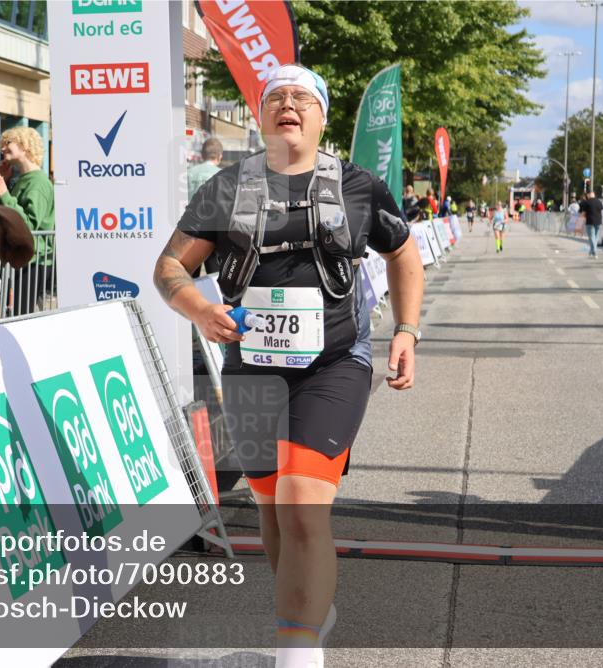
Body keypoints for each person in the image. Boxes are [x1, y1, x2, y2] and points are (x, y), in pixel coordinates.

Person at [153, 64, 424, 668]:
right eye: (277, 97)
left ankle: (296, 652)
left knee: (303, 501)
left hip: (335, 361)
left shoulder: (358, 186)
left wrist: (406, 329)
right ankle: (307, 611)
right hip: (250, 366)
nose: (289, 106)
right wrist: (199, 307)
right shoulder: (226, 188)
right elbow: (168, 269)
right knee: (274, 511)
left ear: (323, 115)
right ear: (261, 115)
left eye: (303, 98)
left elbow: (404, 253)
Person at [0, 126, 55, 313]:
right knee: (17, 313)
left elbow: (30, 223)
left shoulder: (38, 182)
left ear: (25, 147)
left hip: (34, 261)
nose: (2, 148)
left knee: (21, 314)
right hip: (26, 258)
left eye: (8, 143)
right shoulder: (24, 179)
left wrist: (5, 195)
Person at [579, 191, 602, 257]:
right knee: (596, 237)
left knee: (591, 237)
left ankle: (594, 251)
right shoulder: (599, 202)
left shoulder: (587, 202)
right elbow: (601, 211)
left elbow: (583, 213)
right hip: (598, 221)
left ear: (589, 195)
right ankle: (591, 251)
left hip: (590, 221)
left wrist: (582, 217)